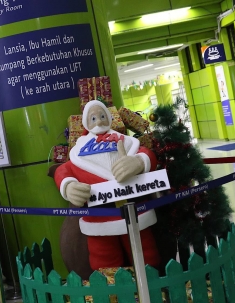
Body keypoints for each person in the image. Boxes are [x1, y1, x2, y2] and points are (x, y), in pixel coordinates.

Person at [54, 100, 161, 271]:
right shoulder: (78, 152)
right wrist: (68, 186)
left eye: (102, 116)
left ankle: (153, 288)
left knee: (146, 256)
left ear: (109, 118)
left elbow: (147, 154)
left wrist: (139, 162)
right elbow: (63, 171)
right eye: (93, 118)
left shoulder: (126, 142)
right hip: (99, 219)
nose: (99, 121)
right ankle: (112, 294)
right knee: (104, 260)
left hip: (136, 213)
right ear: (86, 123)